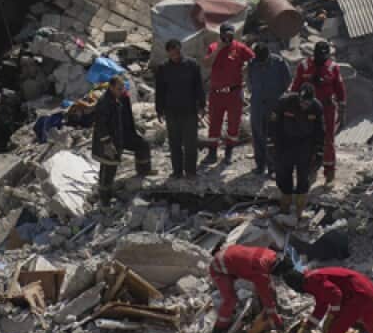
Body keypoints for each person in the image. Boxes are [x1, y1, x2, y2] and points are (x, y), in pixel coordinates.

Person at [289, 42, 346, 182]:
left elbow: (340, 88)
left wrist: (342, 107)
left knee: (328, 140)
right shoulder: (304, 66)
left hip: (327, 108)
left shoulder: (333, 67)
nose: (322, 58)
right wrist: (293, 106)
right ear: (314, 53)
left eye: (325, 56)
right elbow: (295, 87)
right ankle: (310, 168)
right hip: (308, 108)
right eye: (319, 55)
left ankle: (329, 169)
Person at [92, 75, 152, 205]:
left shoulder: (121, 98)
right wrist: (107, 144)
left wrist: (134, 130)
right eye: (119, 88)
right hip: (108, 141)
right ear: (111, 87)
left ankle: (143, 171)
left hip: (122, 135)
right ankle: (105, 199)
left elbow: (126, 117)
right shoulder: (104, 102)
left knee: (142, 145)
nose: (122, 91)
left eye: (123, 88)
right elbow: (101, 126)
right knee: (108, 169)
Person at [208, 245, 287, 333]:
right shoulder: (260, 272)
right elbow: (266, 298)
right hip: (218, 268)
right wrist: (277, 321)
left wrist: (274, 302)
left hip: (229, 255)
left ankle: (227, 320)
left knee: (261, 288)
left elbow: (268, 285)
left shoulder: (271, 254)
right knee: (231, 300)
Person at [202, 23, 255, 165]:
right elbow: (206, 63)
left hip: (234, 93)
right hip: (216, 94)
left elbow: (254, 59)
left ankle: (228, 153)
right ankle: (212, 153)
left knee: (233, 124)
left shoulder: (239, 47)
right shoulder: (213, 47)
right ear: (220, 34)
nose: (228, 38)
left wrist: (245, 70)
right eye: (225, 35)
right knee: (214, 124)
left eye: (230, 35)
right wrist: (218, 49)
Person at [270, 83, 325, 217]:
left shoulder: (317, 108)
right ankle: (285, 207)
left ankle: (299, 212)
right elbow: (273, 123)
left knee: (303, 179)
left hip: (305, 146)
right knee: (284, 176)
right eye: (302, 102)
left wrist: (319, 151)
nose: (304, 105)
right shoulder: (285, 102)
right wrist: (271, 143)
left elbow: (320, 130)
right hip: (285, 144)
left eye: (307, 103)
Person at [154, 39, 205, 178]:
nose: (175, 55)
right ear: (168, 53)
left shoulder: (192, 65)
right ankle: (177, 171)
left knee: (190, 143)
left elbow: (199, 87)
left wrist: (202, 105)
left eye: (177, 52)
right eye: (172, 53)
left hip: (189, 110)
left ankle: (191, 171)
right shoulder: (163, 68)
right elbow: (160, 90)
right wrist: (159, 110)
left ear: (180, 49)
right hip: (172, 111)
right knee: (174, 143)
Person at [247, 43, 292, 175]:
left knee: (273, 137)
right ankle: (260, 165)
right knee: (257, 135)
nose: (261, 63)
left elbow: (288, 81)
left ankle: (274, 167)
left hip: (274, 105)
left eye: (264, 60)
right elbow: (250, 80)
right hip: (257, 105)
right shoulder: (252, 63)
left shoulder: (279, 62)